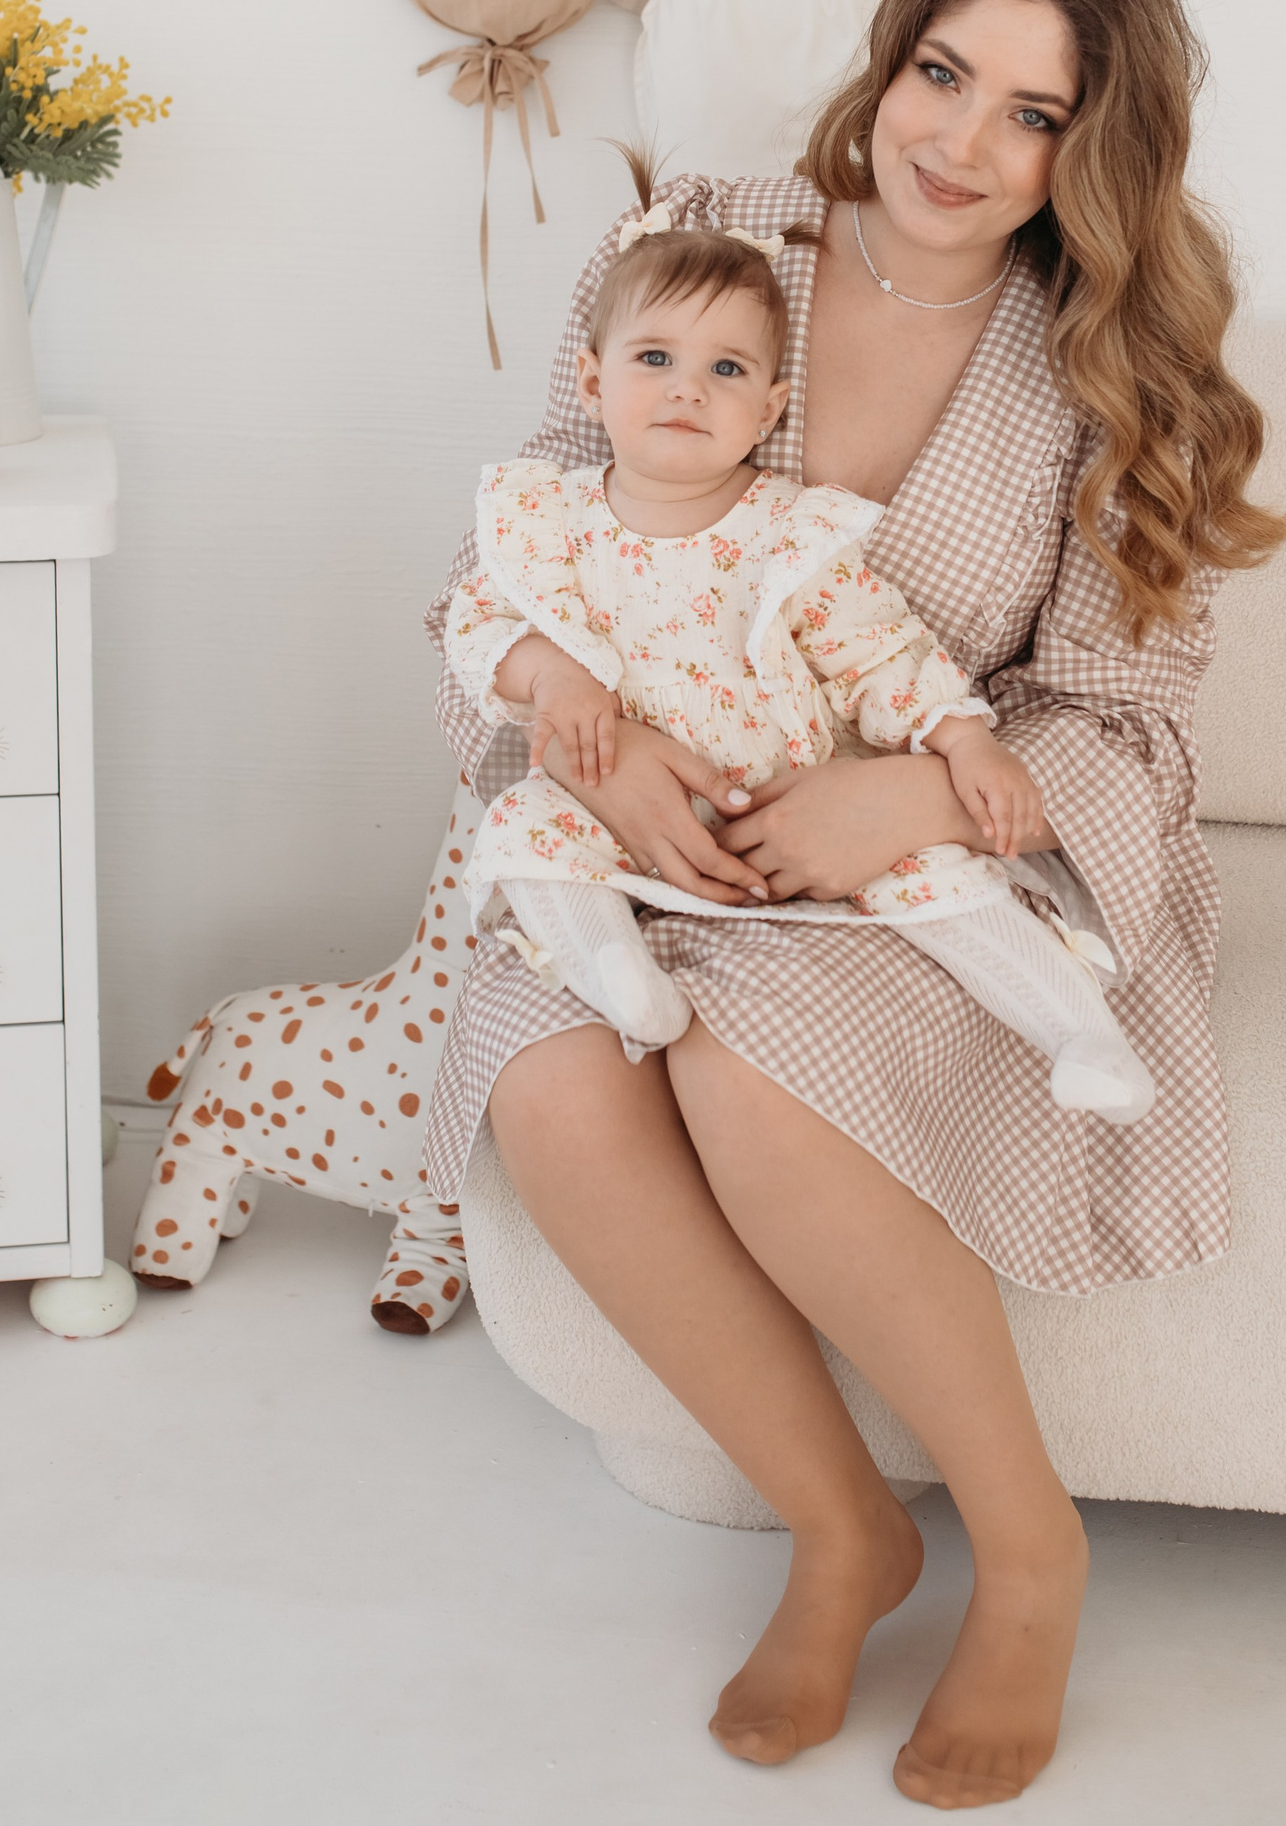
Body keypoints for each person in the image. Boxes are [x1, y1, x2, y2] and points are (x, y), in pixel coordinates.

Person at [423, 0, 1285, 1810]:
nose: (959, 143)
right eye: (941, 72)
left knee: (752, 1074)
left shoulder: (1106, 359)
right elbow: (526, 548)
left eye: (1033, 115)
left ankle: (1029, 1551)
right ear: (889, 59)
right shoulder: (707, 238)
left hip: (930, 859)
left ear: (1096, 152)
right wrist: (602, 741)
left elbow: (1131, 719)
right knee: (551, 1077)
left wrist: (909, 794)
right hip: (642, 825)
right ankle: (843, 1533)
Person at [444, 152, 1153, 1121]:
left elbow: (879, 648)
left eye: (726, 369)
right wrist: (553, 678)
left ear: (768, 409)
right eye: (654, 359)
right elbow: (481, 621)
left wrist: (962, 739)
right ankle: (618, 976)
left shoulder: (788, 531)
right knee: (523, 832)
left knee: (942, 875)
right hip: (625, 806)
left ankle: (1077, 1030)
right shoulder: (547, 520)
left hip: (791, 808)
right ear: (591, 379)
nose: (687, 389)